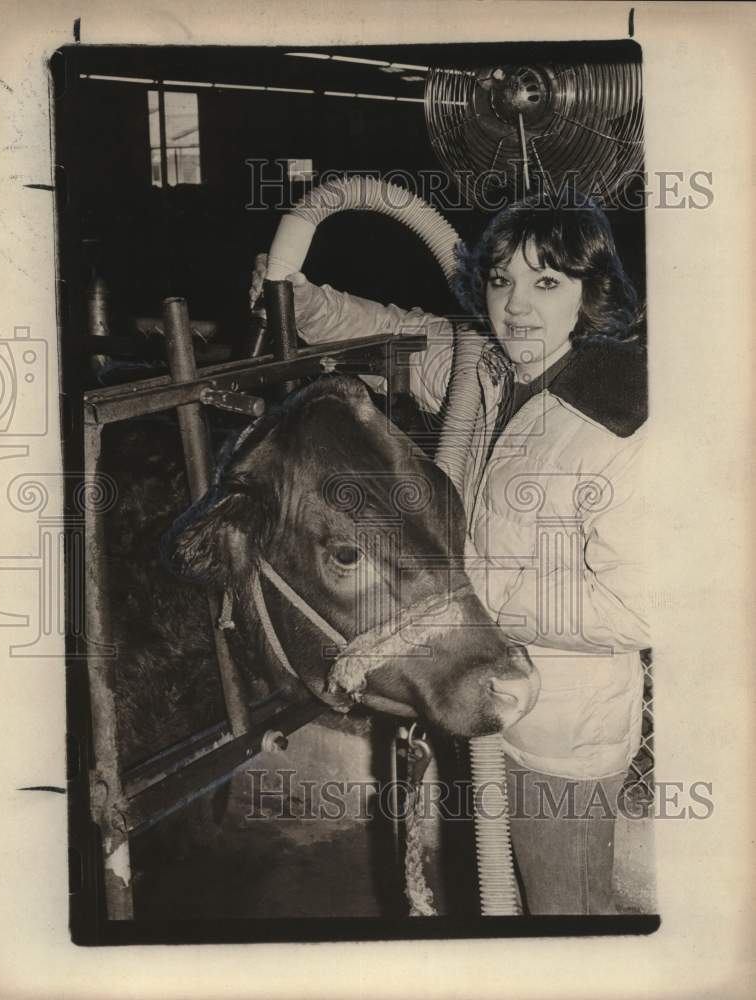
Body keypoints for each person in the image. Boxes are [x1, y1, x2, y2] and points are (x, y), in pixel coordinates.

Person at [252, 197, 649, 915]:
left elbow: (641, 608)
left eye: (547, 283)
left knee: (566, 910)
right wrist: (294, 294)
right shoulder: (489, 370)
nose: (516, 307)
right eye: (501, 281)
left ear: (593, 296)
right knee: (502, 892)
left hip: (558, 724)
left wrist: (466, 590)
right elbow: (383, 327)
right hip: (476, 681)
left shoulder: (624, 420)